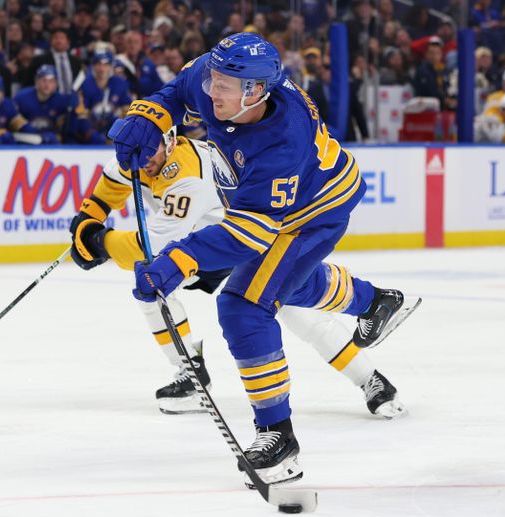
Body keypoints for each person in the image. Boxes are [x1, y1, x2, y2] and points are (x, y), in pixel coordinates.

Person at [107, 33, 418, 487]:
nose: (211, 90)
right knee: (287, 288)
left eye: (223, 87)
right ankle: (375, 302)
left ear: (254, 92)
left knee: (244, 304)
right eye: (212, 79)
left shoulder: (281, 143)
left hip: (313, 213)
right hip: (290, 200)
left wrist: (179, 260)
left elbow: (249, 235)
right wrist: (148, 118)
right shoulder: (226, 76)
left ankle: (278, 436)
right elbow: (175, 92)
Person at [70, 127, 408, 418]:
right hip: (203, 245)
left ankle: (369, 376)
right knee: (152, 284)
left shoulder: (186, 177)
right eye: (130, 152)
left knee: (294, 310)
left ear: (170, 141)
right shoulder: (135, 152)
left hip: (244, 238)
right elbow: (109, 188)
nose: (139, 161)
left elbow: (153, 245)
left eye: (146, 152)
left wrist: (99, 242)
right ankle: (190, 373)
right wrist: (88, 219)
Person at [14, 64, 88, 144]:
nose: (47, 85)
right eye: (43, 80)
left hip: (50, 140)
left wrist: (76, 107)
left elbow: (72, 127)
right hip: (26, 139)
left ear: (56, 84)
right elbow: (12, 121)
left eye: (51, 81)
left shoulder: (62, 100)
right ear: (36, 81)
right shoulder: (22, 98)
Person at [79, 51, 132, 144]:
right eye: (98, 64)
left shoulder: (119, 83)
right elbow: (82, 114)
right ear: (93, 66)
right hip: (93, 126)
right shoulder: (86, 84)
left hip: (113, 124)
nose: (102, 68)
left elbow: (128, 107)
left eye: (105, 64)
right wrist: (90, 132)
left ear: (111, 66)